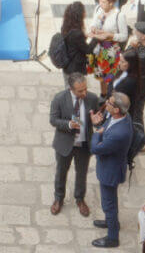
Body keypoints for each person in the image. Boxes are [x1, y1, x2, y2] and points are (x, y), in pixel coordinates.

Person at [50, 72, 98, 218]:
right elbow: (53, 120)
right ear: (71, 89)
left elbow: (97, 118)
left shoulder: (92, 98)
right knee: (61, 172)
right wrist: (69, 124)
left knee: (82, 173)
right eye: (80, 91)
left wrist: (97, 122)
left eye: (85, 89)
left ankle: (80, 198)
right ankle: (59, 198)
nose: (84, 93)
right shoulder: (59, 98)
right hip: (65, 143)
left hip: (83, 144)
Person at [90, 92, 133, 249]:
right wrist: (100, 126)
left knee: (109, 204)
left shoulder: (119, 134)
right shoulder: (120, 117)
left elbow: (95, 148)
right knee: (109, 201)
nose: (106, 103)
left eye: (109, 103)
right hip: (111, 166)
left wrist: (97, 132)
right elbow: (105, 126)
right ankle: (110, 221)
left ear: (116, 110)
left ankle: (113, 237)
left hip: (110, 171)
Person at [88, 0, 127, 95]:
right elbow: (93, 22)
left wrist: (110, 35)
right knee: (100, 74)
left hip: (111, 49)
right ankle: (103, 94)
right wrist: (93, 27)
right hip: (98, 47)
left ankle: (110, 95)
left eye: (103, 2)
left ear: (111, 2)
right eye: (99, 0)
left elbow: (124, 36)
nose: (100, 4)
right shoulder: (98, 9)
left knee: (110, 76)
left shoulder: (119, 15)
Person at [48, 1, 89, 76]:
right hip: (76, 68)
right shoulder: (77, 33)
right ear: (79, 15)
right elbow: (88, 50)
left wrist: (84, 37)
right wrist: (96, 38)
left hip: (67, 66)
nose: (85, 13)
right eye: (84, 11)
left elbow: (73, 43)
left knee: (68, 83)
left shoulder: (65, 27)